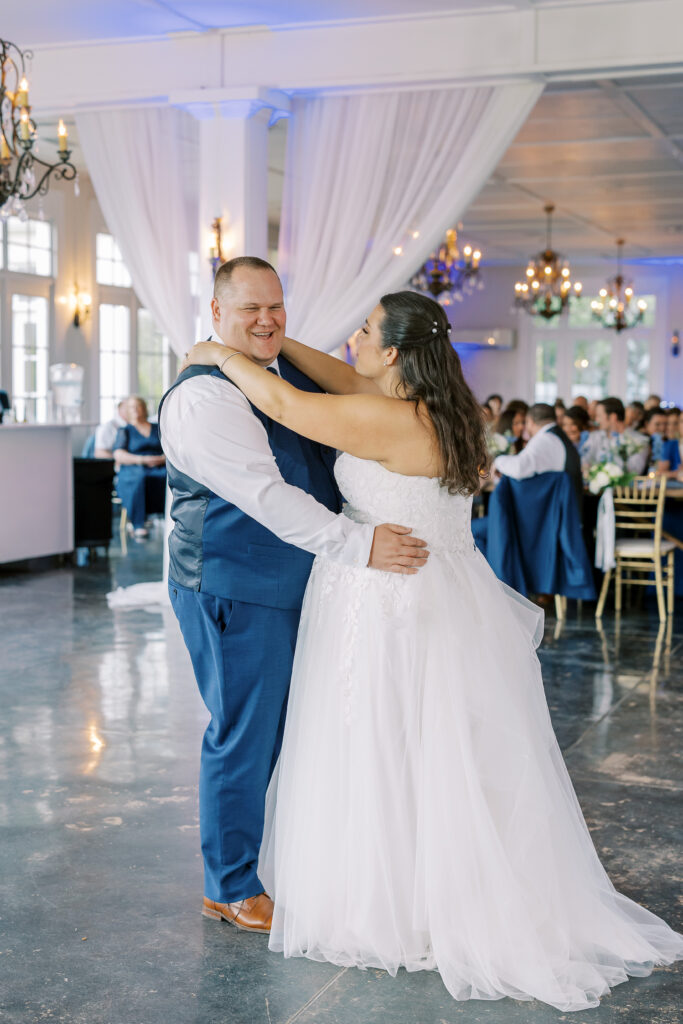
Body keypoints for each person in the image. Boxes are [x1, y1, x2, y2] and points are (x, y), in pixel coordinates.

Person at [183, 290, 683, 1012]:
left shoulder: (384, 418)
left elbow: (291, 409)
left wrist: (221, 352)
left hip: (389, 600)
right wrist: (279, 340)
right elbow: (339, 378)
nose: (351, 339)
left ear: (390, 351)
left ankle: (397, 904)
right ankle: (428, 884)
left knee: (384, 743)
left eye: (362, 331)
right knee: (436, 750)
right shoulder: (434, 406)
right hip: (440, 592)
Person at [159, 257, 429, 935]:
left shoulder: (281, 370)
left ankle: (268, 862)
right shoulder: (205, 396)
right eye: (249, 309)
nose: (266, 320)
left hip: (295, 582)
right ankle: (230, 885)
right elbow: (267, 497)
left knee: (281, 732)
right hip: (231, 582)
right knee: (244, 736)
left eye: (275, 306)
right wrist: (362, 546)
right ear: (216, 316)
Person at [495, 402, 583, 508]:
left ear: (530, 421)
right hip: (564, 505)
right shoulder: (556, 435)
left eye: (525, 422)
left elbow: (520, 468)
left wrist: (497, 461)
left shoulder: (546, 438)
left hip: (557, 510)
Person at [113, 396, 166, 538]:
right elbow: (119, 455)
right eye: (132, 407)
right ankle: (138, 523)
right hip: (134, 467)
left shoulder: (157, 428)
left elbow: (169, 448)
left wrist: (162, 459)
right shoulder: (125, 431)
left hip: (159, 465)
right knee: (139, 478)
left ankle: (168, 517)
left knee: (169, 477)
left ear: (144, 408)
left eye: (138, 406)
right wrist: (142, 459)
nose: (136, 409)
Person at [581, 397, 649, 476]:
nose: (596, 421)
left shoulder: (639, 441)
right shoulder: (594, 437)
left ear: (613, 417)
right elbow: (585, 461)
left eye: (599, 416)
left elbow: (634, 471)